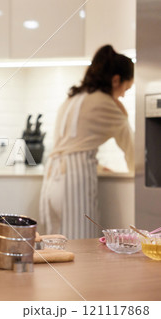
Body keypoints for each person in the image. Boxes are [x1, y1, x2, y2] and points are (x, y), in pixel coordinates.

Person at [39, 45, 135, 239]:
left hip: (52, 182)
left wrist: (98, 167)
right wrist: (139, 178)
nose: (124, 94)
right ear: (116, 80)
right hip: (74, 182)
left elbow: (73, 144)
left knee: (56, 248)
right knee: (82, 248)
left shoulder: (73, 98)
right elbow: (133, 149)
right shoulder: (107, 103)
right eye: (126, 87)